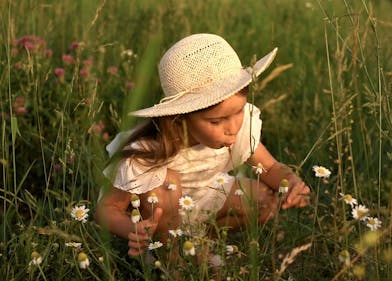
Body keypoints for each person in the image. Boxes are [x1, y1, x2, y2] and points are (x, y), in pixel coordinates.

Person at [95, 33, 310, 257]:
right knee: (168, 184)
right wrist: (133, 229)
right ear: (181, 117)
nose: (232, 127)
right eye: (216, 121)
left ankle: (200, 243)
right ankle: (172, 255)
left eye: (238, 111)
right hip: (164, 213)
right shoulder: (149, 150)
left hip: (208, 196)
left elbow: (270, 168)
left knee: (264, 199)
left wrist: (292, 182)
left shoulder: (240, 125)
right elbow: (107, 209)